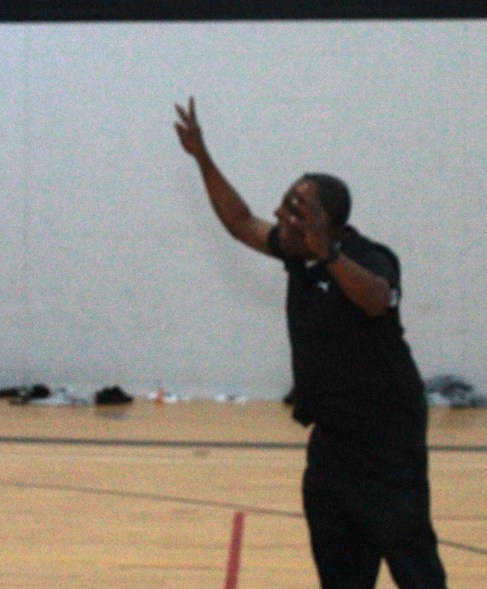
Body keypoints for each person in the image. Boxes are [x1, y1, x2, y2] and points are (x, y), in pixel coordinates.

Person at [174, 97, 447, 589]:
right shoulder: (295, 252)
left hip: (388, 441)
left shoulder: (370, 257)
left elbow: (376, 298)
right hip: (333, 442)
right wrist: (202, 156)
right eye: (285, 203)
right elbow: (240, 222)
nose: (280, 214)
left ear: (327, 223)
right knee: (340, 566)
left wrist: (330, 255)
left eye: (296, 209)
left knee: (414, 566)